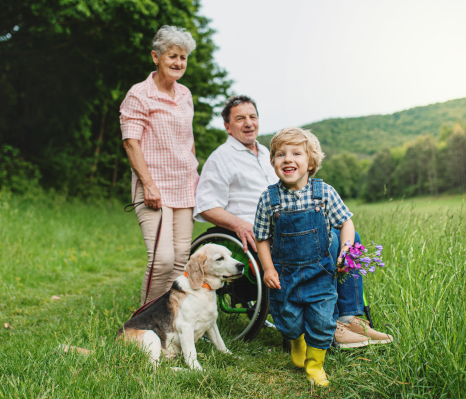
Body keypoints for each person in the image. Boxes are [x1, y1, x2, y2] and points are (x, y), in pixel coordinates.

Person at [194, 95, 392, 348]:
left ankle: (349, 316)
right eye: (240, 118)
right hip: (259, 229)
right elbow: (206, 205)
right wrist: (237, 224)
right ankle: (329, 326)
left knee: (350, 237)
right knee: (327, 242)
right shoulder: (221, 157)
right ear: (227, 125)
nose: (248, 123)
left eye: (252, 116)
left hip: (292, 216)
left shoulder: (266, 152)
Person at [253, 127, 354, 386]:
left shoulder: (324, 193)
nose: (287, 159)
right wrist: (267, 269)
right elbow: (262, 237)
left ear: (310, 162)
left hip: (320, 272)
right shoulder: (269, 199)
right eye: (280, 154)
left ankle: (315, 365)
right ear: (273, 162)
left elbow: (346, 223)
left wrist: (346, 252)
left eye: (296, 153)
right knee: (287, 320)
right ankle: (296, 340)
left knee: (321, 321)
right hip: (284, 274)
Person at [120, 26, 198, 305]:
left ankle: (167, 321)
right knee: (162, 260)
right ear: (156, 56)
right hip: (155, 189)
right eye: (172, 56)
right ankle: (143, 323)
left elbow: (188, 140)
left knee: (179, 261)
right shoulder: (139, 94)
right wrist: (148, 185)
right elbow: (131, 143)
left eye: (183, 57)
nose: (178, 63)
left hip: (184, 188)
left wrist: (195, 177)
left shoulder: (185, 94)